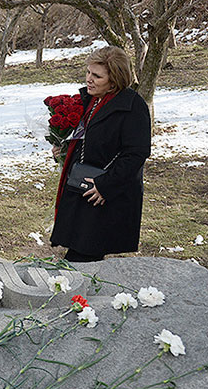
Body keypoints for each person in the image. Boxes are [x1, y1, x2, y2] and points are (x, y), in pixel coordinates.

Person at [50, 46, 151, 262]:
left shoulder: (133, 107)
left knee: (82, 257)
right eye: (88, 72)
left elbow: (137, 153)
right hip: (84, 187)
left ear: (114, 80)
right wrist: (65, 149)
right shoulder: (91, 100)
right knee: (82, 254)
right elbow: (90, 139)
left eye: (97, 76)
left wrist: (105, 185)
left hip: (105, 194)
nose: (89, 79)